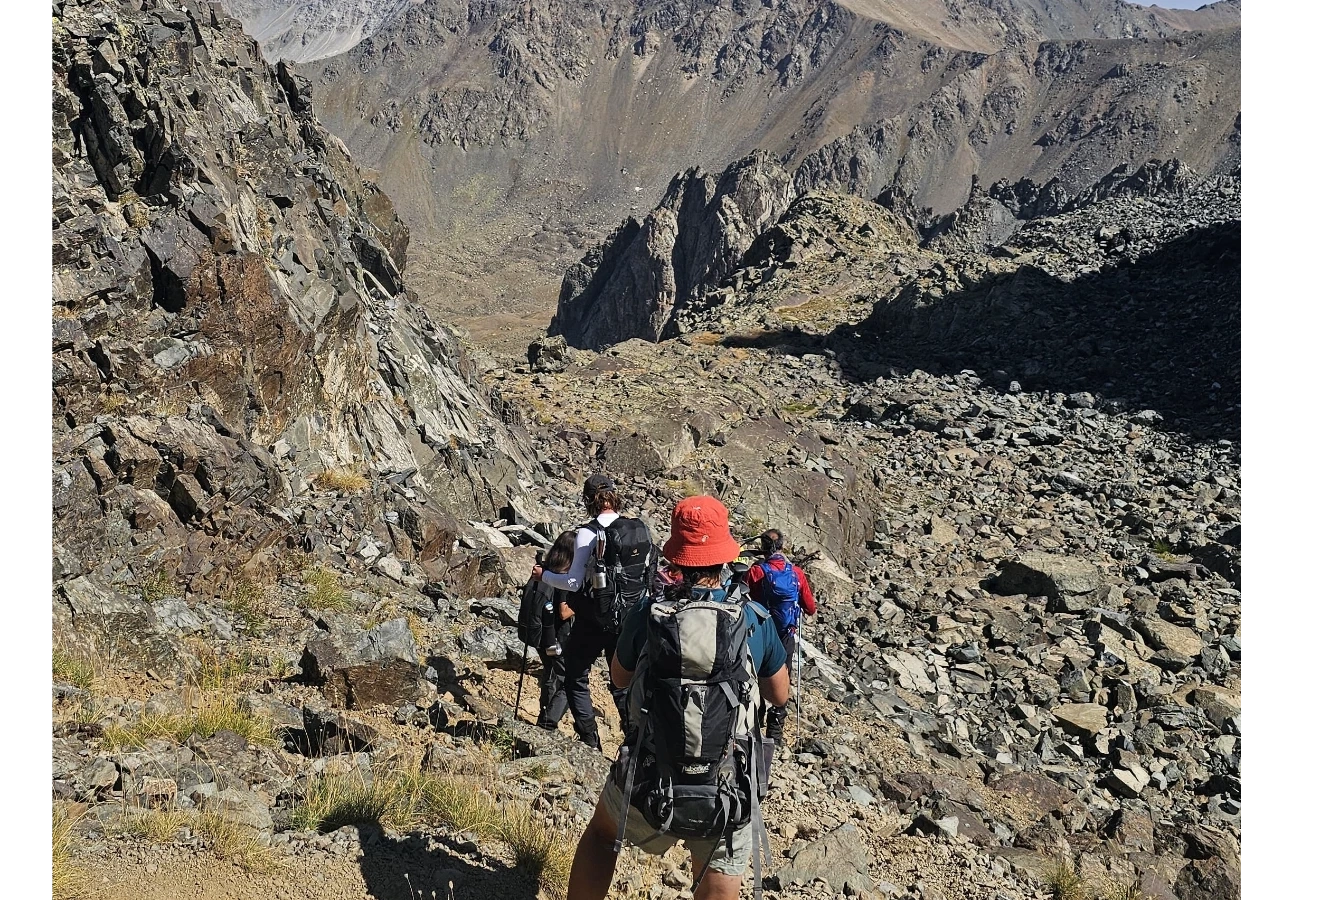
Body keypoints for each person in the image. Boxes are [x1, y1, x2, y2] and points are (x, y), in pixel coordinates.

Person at [566, 495, 790, 900]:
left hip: (651, 770)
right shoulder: (755, 619)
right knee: (720, 873)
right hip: (726, 779)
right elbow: (779, 694)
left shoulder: (650, 612)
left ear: (678, 557)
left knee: (602, 836)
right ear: (724, 556)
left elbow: (618, 675)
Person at [531, 474, 655, 750]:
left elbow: (573, 582)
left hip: (594, 617)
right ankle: (634, 738)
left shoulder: (588, 532)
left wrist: (545, 575)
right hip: (629, 617)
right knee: (622, 682)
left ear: (588, 499)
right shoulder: (637, 528)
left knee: (576, 675)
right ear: (614, 496)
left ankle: (590, 739)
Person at [746, 528, 817, 743]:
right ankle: (775, 733)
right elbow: (811, 608)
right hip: (786, 634)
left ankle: (755, 722)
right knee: (782, 678)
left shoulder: (756, 572)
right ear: (782, 546)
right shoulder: (795, 572)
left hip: (761, 632)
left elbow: (749, 599)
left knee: (756, 676)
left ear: (763, 547)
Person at [517, 530, 578, 729]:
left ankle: (544, 715)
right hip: (558, 638)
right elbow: (563, 612)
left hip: (540, 635)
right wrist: (582, 604)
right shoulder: (563, 576)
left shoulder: (544, 571)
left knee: (550, 674)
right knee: (570, 680)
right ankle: (548, 721)